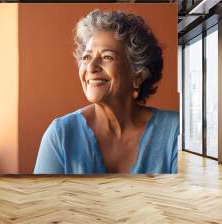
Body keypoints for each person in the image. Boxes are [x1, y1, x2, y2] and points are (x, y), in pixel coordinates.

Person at [34, 9, 179, 174]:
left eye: (107, 57)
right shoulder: (61, 135)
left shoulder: (175, 133)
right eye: (87, 57)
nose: (91, 67)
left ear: (137, 75)